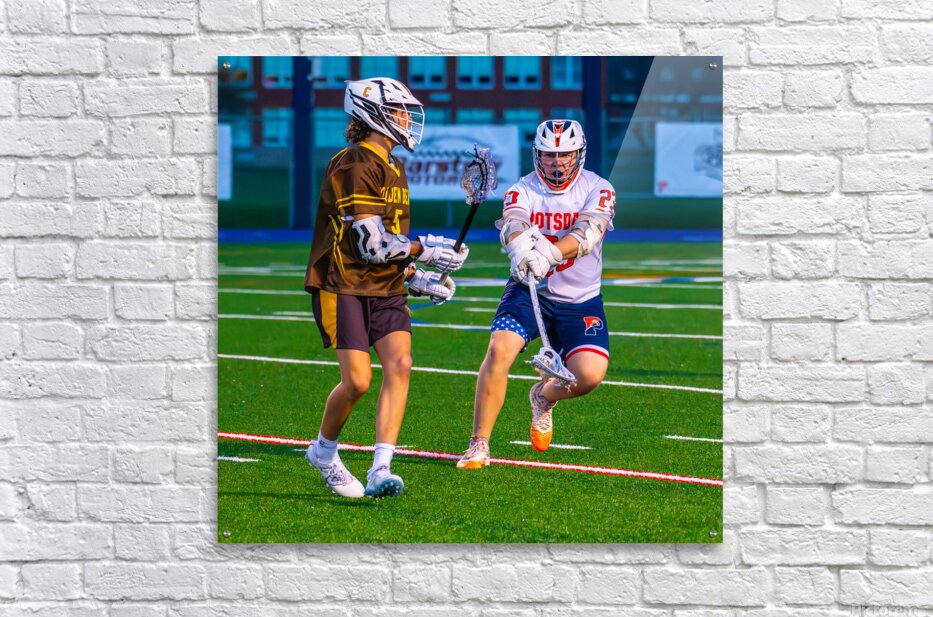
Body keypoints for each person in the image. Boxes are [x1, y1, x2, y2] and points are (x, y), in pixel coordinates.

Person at [304, 77, 468, 497]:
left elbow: (387, 245)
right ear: (371, 113)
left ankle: (381, 468)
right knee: (357, 381)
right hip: (344, 282)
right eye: (398, 112)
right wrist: (425, 250)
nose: (406, 120)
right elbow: (370, 245)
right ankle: (323, 452)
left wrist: (415, 277)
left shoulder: (394, 165)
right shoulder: (356, 163)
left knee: (401, 364)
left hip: (385, 285)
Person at [456, 119, 616, 469]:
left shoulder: (599, 187)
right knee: (499, 350)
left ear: (579, 154)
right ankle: (479, 443)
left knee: (589, 376)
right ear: (537, 155)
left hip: (581, 299)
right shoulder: (523, 189)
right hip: (530, 292)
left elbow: (589, 233)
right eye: (549, 155)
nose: (557, 162)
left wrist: (549, 254)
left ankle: (543, 396)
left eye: (565, 154)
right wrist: (519, 248)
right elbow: (513, 222)